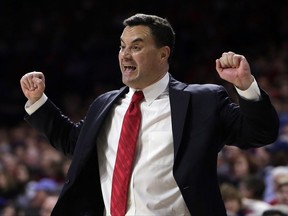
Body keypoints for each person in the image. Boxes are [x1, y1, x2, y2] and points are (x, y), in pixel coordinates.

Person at [19, 13, 279, 216]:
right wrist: (38, 101)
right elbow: (76, 144)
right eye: (122, 46)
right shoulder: (105, 103)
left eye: (136, 46)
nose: (125, 55)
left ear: (163, 53)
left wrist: (245, 86)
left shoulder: (202, 101)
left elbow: (260, 133)